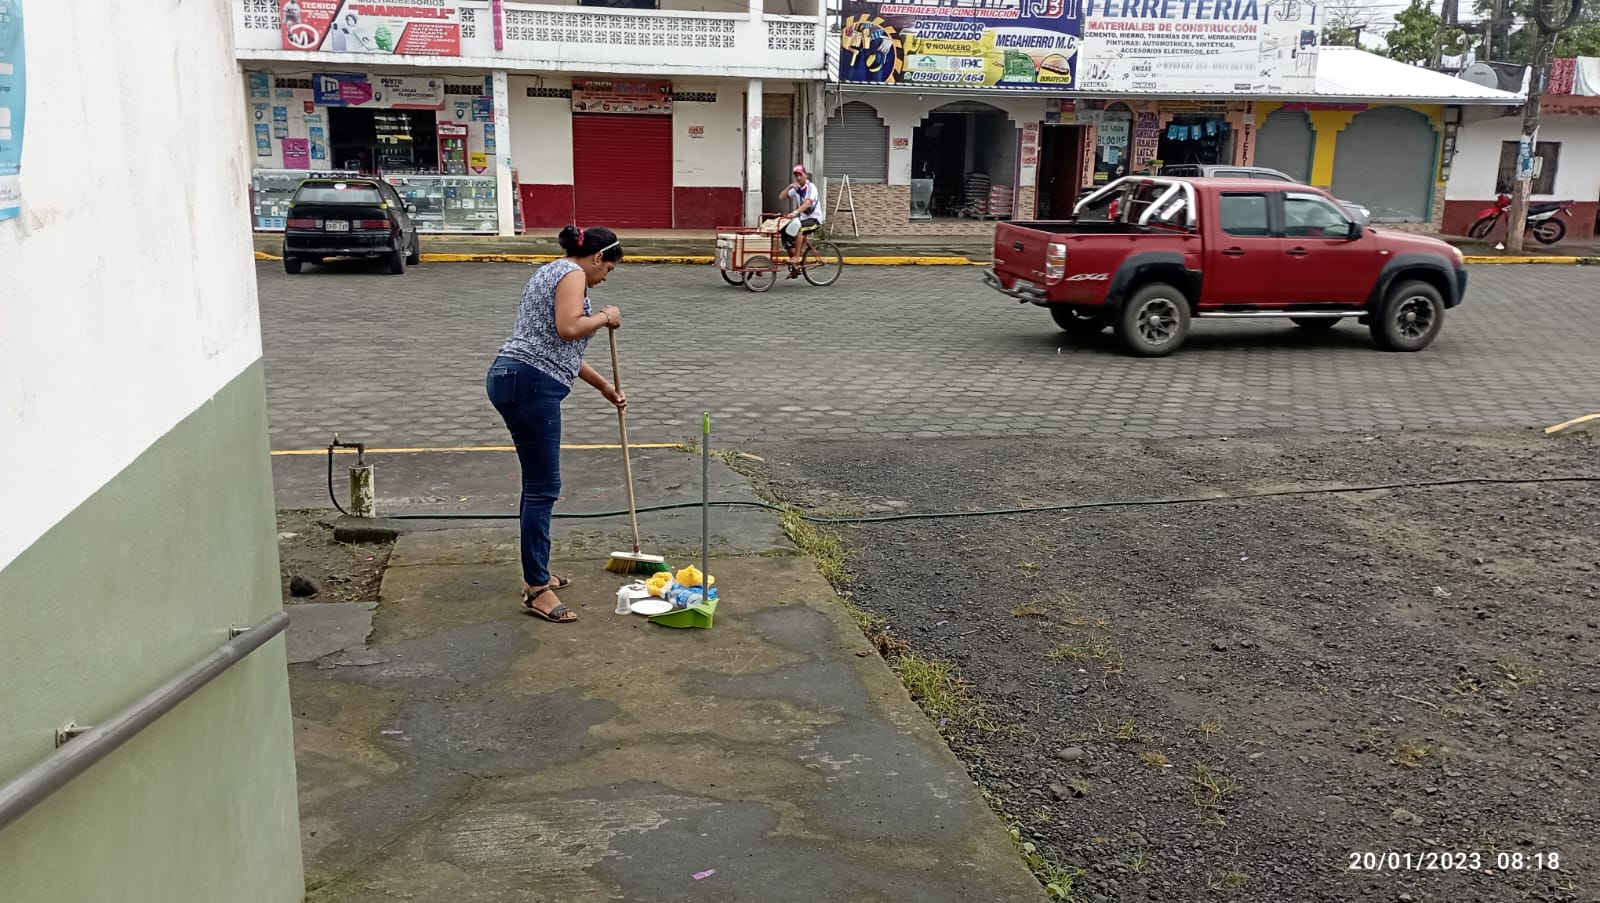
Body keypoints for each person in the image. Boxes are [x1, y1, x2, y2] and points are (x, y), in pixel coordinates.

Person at [487, 226, 627, 623]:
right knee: (543, 487)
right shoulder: (573, 274)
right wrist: (604, 317)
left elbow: (558, 346)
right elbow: (569, 328)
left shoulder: (550, 271)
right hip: (530, 383)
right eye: (609, 269)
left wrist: (604, 387)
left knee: (537, 485)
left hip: (515, 375)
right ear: (597, 257)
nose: (605, 278)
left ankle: (538, 571)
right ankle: (537, 589)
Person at [781, 164, 823, 276]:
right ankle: (795, 267)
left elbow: (808, 203)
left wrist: (795, 212)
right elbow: (781, 197)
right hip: (802, 219)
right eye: (796, 175)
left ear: (806, 175)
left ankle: (796, 257)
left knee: (800, 230)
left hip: (814, 219)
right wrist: (789, 187)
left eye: (800, 175)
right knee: (785, 232)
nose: (798, 178)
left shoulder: (811, 187)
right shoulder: (796, 188)